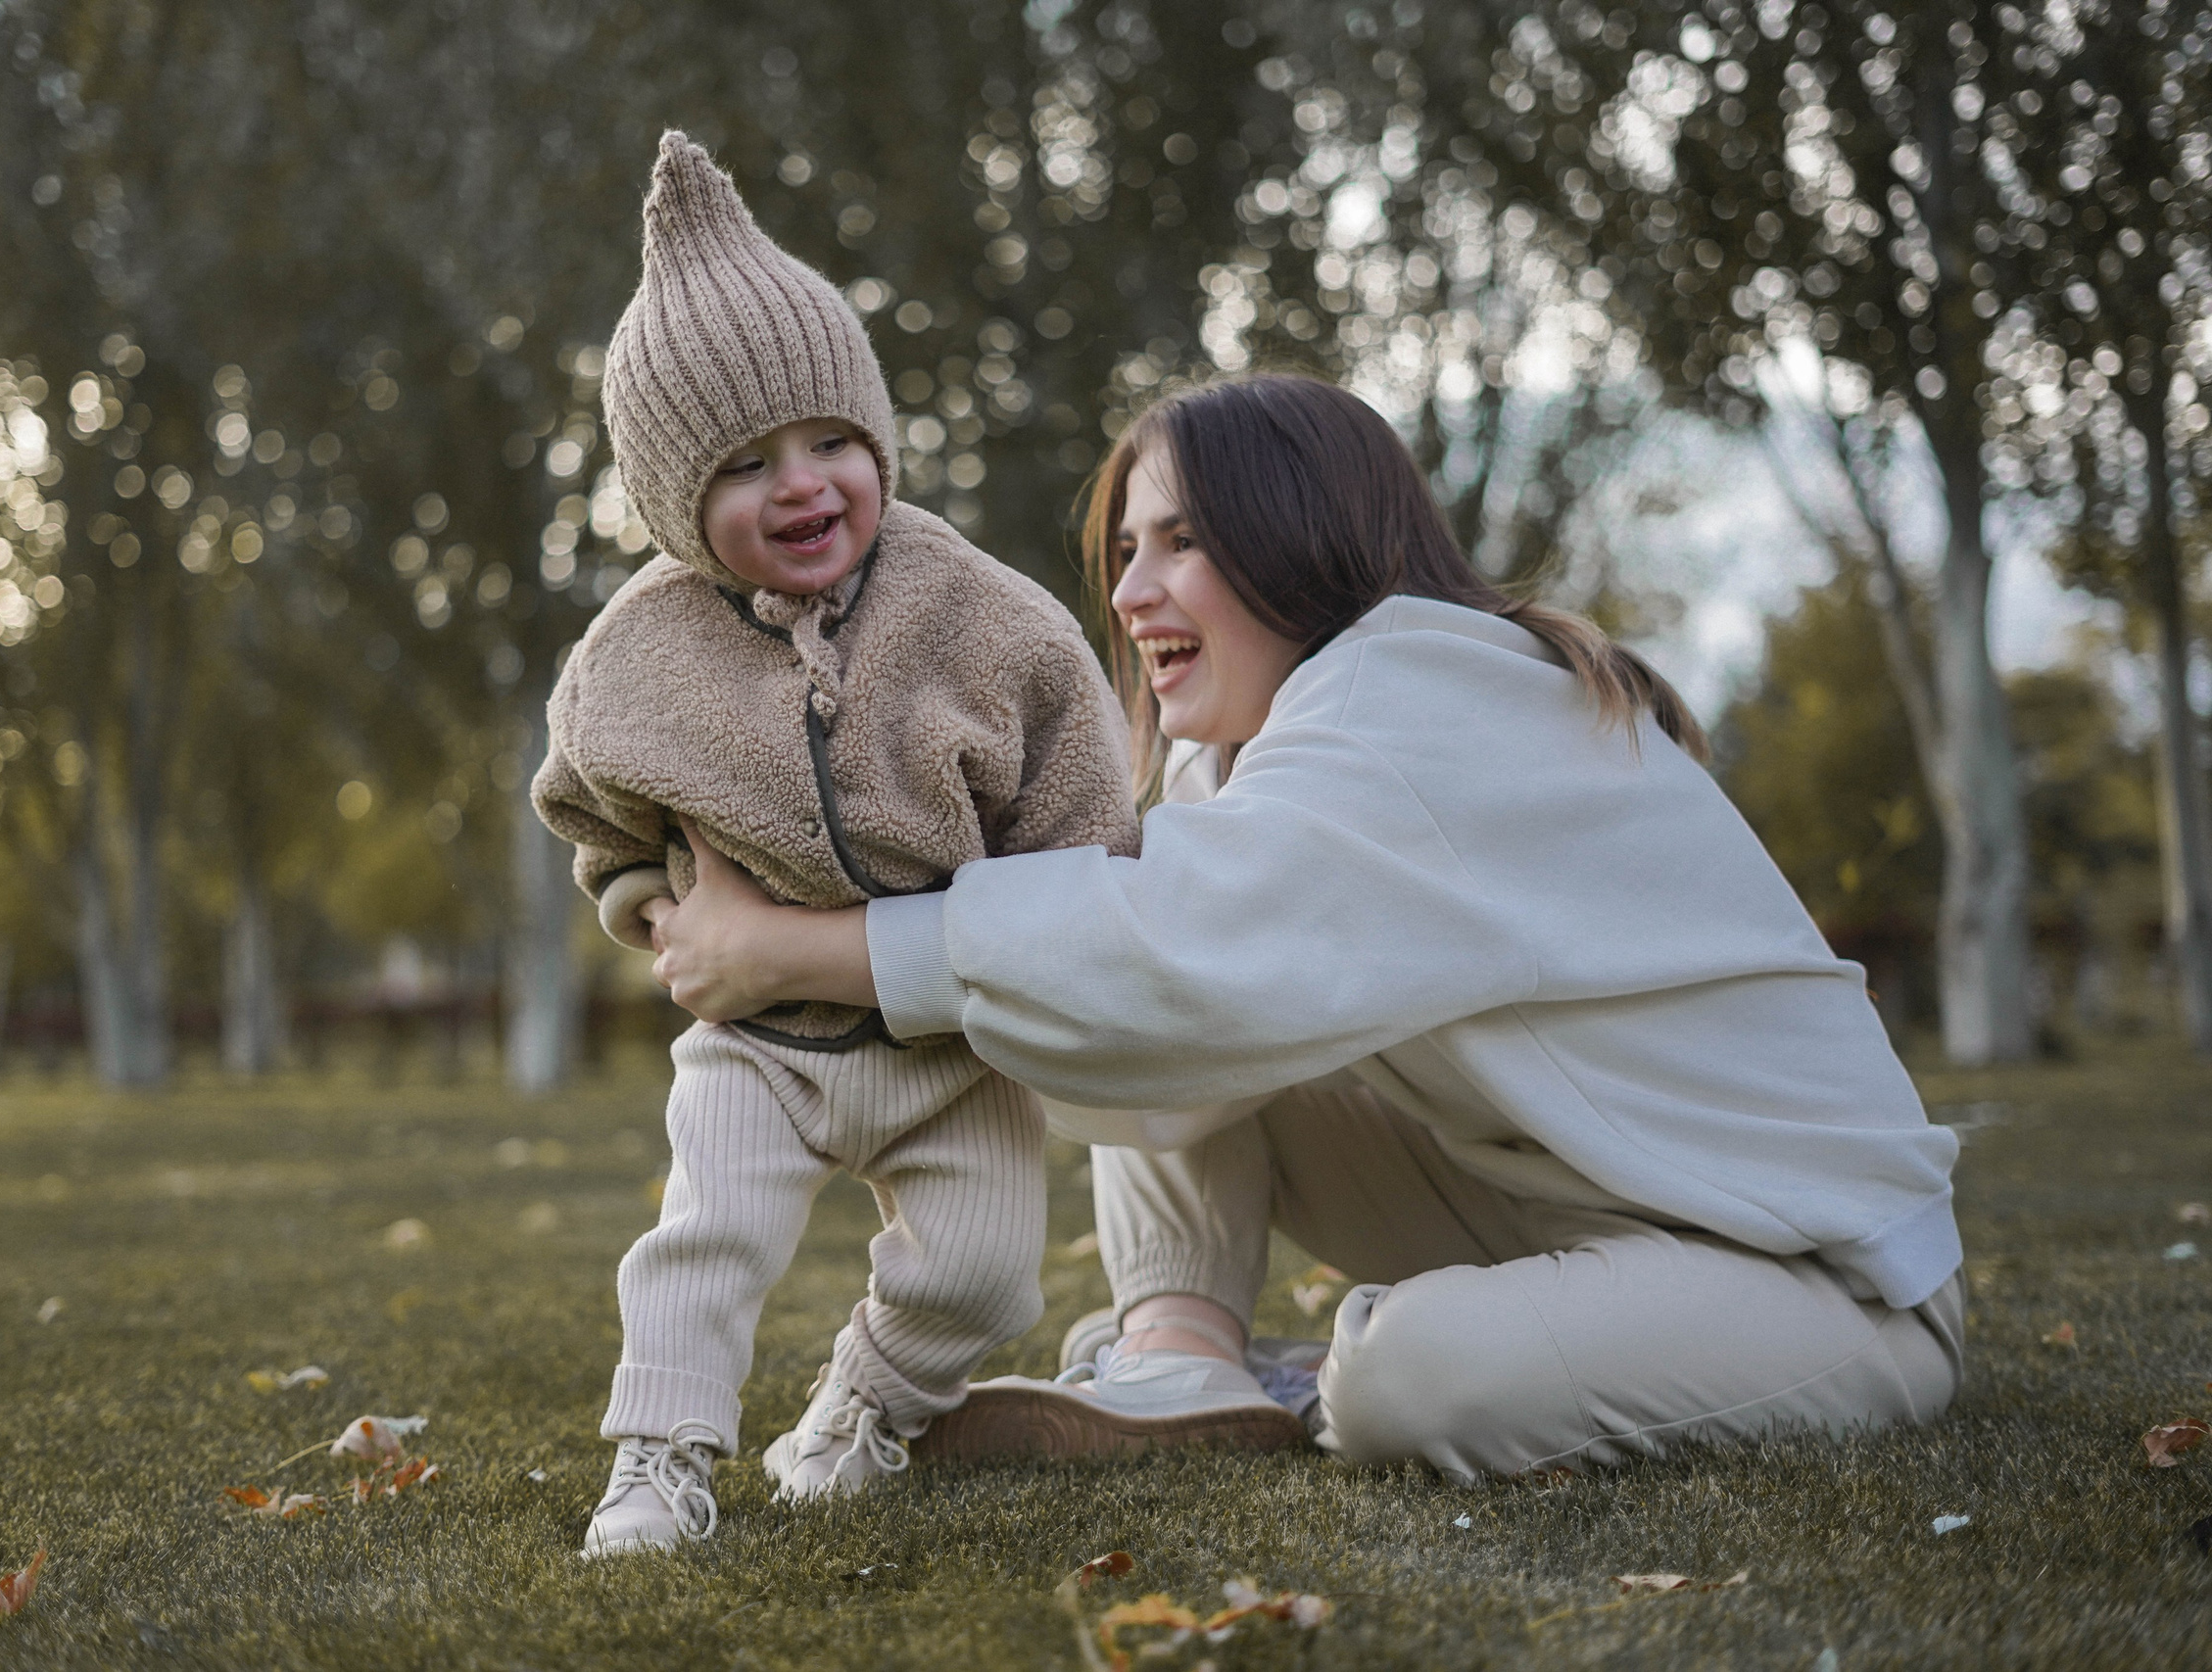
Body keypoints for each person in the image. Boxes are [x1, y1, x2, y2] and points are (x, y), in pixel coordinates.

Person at [636, 373, 1966, 1483]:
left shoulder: (1427, 696)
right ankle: (1176, 1357)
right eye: (1122, 553)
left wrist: (786, 953)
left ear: (1301, 538)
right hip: (1580, 1200)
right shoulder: (1258, 761)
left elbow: (1171, 948)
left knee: (1403, 1381)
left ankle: (1305, 1374)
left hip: (1818, 1281)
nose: (1131, 594)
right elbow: (1139, 957)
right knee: (1151, 986)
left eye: (1182, 543)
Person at [533, 132, 1140, 1555]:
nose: (799, 485)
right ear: (677, 501)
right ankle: (660, 1458)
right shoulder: (637, 655)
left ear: (876, 438)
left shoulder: (989, 623)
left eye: (828, 442)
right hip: (760, 1038)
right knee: (705, 1244)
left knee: (987, 1282)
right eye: (742, 466)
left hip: (954, 1045)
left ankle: (864, 1401)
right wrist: (646, 909)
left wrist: (1039, 940)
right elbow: (587, 803)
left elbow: (1079, 817)